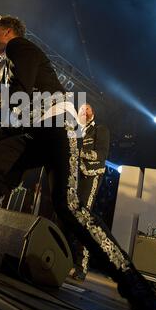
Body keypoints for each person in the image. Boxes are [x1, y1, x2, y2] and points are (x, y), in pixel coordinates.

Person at [0, 14, 156, 310]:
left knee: (69, 207)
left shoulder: (19, 48)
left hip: (58, 129)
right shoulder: (7, 64)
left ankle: (140, 293)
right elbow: (16, 114)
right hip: (34, 132)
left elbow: (16, 99)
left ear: (8, 32)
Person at [69, 103, 110, 280]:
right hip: (73, 176)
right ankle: (63, 258)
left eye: (87, 109)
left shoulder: (100, 130)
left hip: (90, 176)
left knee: (83, 218)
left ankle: (81, 266)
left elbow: (100, 155)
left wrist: (78, 152)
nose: (83, 111)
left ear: (92, 113)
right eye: (81, 109)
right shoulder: (74, 130)